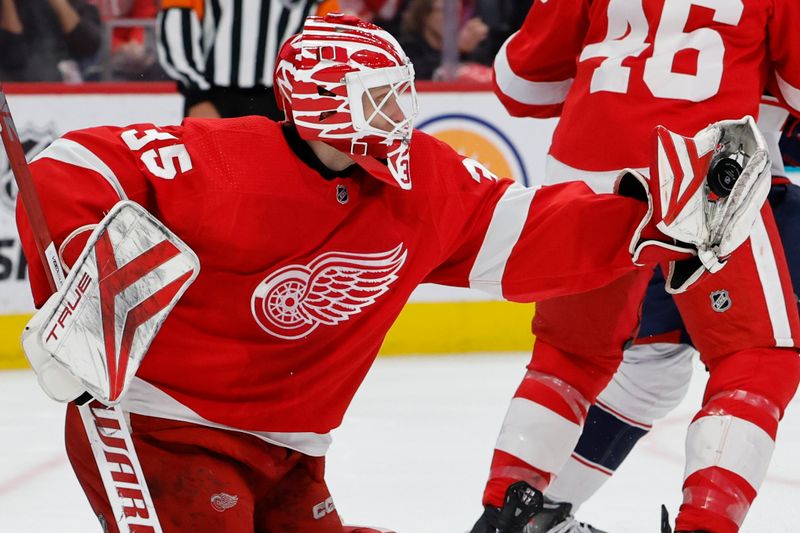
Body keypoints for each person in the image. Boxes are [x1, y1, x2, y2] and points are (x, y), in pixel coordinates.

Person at [14, 14, 761, 533]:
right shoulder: (227, 162)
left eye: (401, 94)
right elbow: (68, 166)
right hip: (167, 430)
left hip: (294, 453)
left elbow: (529, 232)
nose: (399, 115)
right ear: (320, 101)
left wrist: (647, 217)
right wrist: (76, 279)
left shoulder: (424, 183)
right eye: (379, 98)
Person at [472, 2, 800, 533]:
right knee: (754, 359)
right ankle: (704, 524)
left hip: (585, 169)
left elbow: (519, 83)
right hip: (711, 172)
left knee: (577, 356)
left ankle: (512, 513)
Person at [155, 0, 323, 120]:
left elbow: (324, 35)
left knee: (270, 168)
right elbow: (176, 30)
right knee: (211, 168)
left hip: (280, 101)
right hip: (214, 98)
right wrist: (198, 96)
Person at [0, 0, 101, 82]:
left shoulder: (82, 8)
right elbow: (12, 52)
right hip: (12, 88)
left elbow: (88, 46)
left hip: (64, 90)